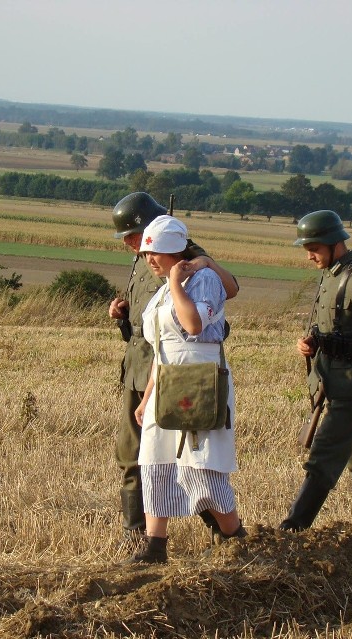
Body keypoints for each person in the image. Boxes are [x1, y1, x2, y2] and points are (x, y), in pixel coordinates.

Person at [108, 192, 239, 545]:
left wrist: (203, 265)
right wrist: (122, 314)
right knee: (143, 458)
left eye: (133, 236)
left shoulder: (189, 260)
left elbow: (216, 302)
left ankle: (227, 534)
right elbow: (151, 321)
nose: (133, 247)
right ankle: (144, 540)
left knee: (194, 463)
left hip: (186, 374)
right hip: (147, 365)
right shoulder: (147, 259)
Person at [280, 210, 352, 534]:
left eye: (314, 248)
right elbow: (331, 327)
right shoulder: (331, 274)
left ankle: (291, 530)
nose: (309, 255)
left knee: (323, 456)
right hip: (334, 381)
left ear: (335, 244)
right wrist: (310, 343)